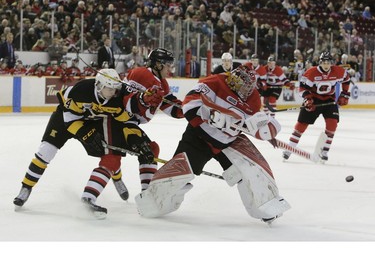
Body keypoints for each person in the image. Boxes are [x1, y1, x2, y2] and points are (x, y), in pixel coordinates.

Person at [134, 64, 291, 224]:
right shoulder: (215, 81)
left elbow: (253, 124)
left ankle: (264, 207)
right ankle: (152, 204)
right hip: (199, 137)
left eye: (244, 86)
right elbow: (189, 103)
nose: (239, 87)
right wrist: (210, 113)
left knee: (249, 170)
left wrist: (264, 127)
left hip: (228, 142)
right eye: (236, 81)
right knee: (178, 177)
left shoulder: (253, 98)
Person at [13, 69, 157, 218]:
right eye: (109, 88)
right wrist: (85, 134)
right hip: (64, 120)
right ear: (99, 86)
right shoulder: (80, 91)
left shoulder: (117, 97)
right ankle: (26, 188)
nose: (113, 92)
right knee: (45, 151)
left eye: (115, 89)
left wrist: (135, 138)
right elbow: (69, 118)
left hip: (92, 122)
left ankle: (117, 178)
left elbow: (126, 120)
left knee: (107, 153)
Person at [121, 48, 184, 191]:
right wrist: (144, 99)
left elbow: (171, 108)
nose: (170, 69)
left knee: (151, 150)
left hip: (131, 123)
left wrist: (188, 109)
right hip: (120, 120)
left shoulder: (163, 84)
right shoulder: (139, 74)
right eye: (168, 65)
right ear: (158, 64)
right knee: (149, 150)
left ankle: (146, 192)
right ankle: (146, 192)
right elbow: (126, 104)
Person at [282, 51, 351, 162]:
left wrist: (345, 94)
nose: (326, 65)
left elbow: (347, 79)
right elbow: (302, 88)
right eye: (324, 62)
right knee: (301, 124)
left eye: (328, 62)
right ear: (320, 62)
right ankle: (290, 147)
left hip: (329, 101)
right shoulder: (312, 72)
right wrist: (308, 99)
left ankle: (324, 151)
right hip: (314, 100)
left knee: (332, 125)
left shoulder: (338, 71)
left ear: (331, 63)